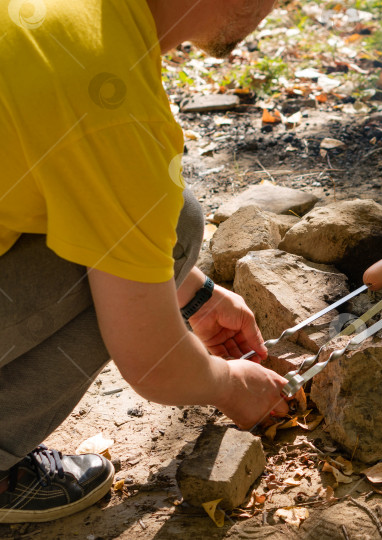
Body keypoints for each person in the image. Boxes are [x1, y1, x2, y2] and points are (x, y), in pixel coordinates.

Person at [0, 0, 289, 523]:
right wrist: (228, 384)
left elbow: (71, 196)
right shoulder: (111, 104)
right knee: (178, 221)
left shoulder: (68, 25)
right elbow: (152, 363)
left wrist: (193, 294)